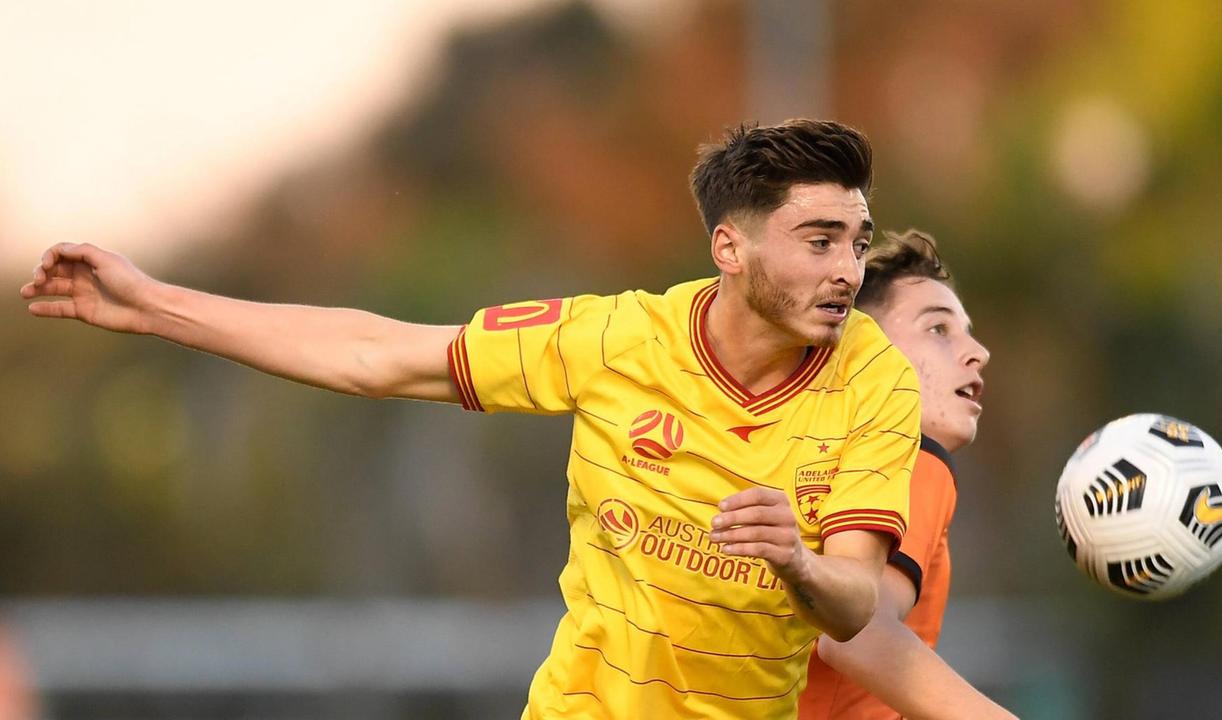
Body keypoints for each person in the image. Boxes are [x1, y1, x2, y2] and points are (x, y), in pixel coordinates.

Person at [21, 119, 921, 719]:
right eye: (819, 241)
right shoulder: (615, 340)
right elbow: (380, 353)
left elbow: (853, 601)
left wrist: (795, 559)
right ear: (730, 246)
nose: (849, 269)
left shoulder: (875, 381)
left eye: (855, 238)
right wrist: (153, 306)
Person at [798, 230, 1015, 719]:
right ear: (863, 356)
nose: (977, 351)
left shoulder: (810, 463)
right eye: (938, 329)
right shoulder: (913, 459)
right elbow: (858, 634)